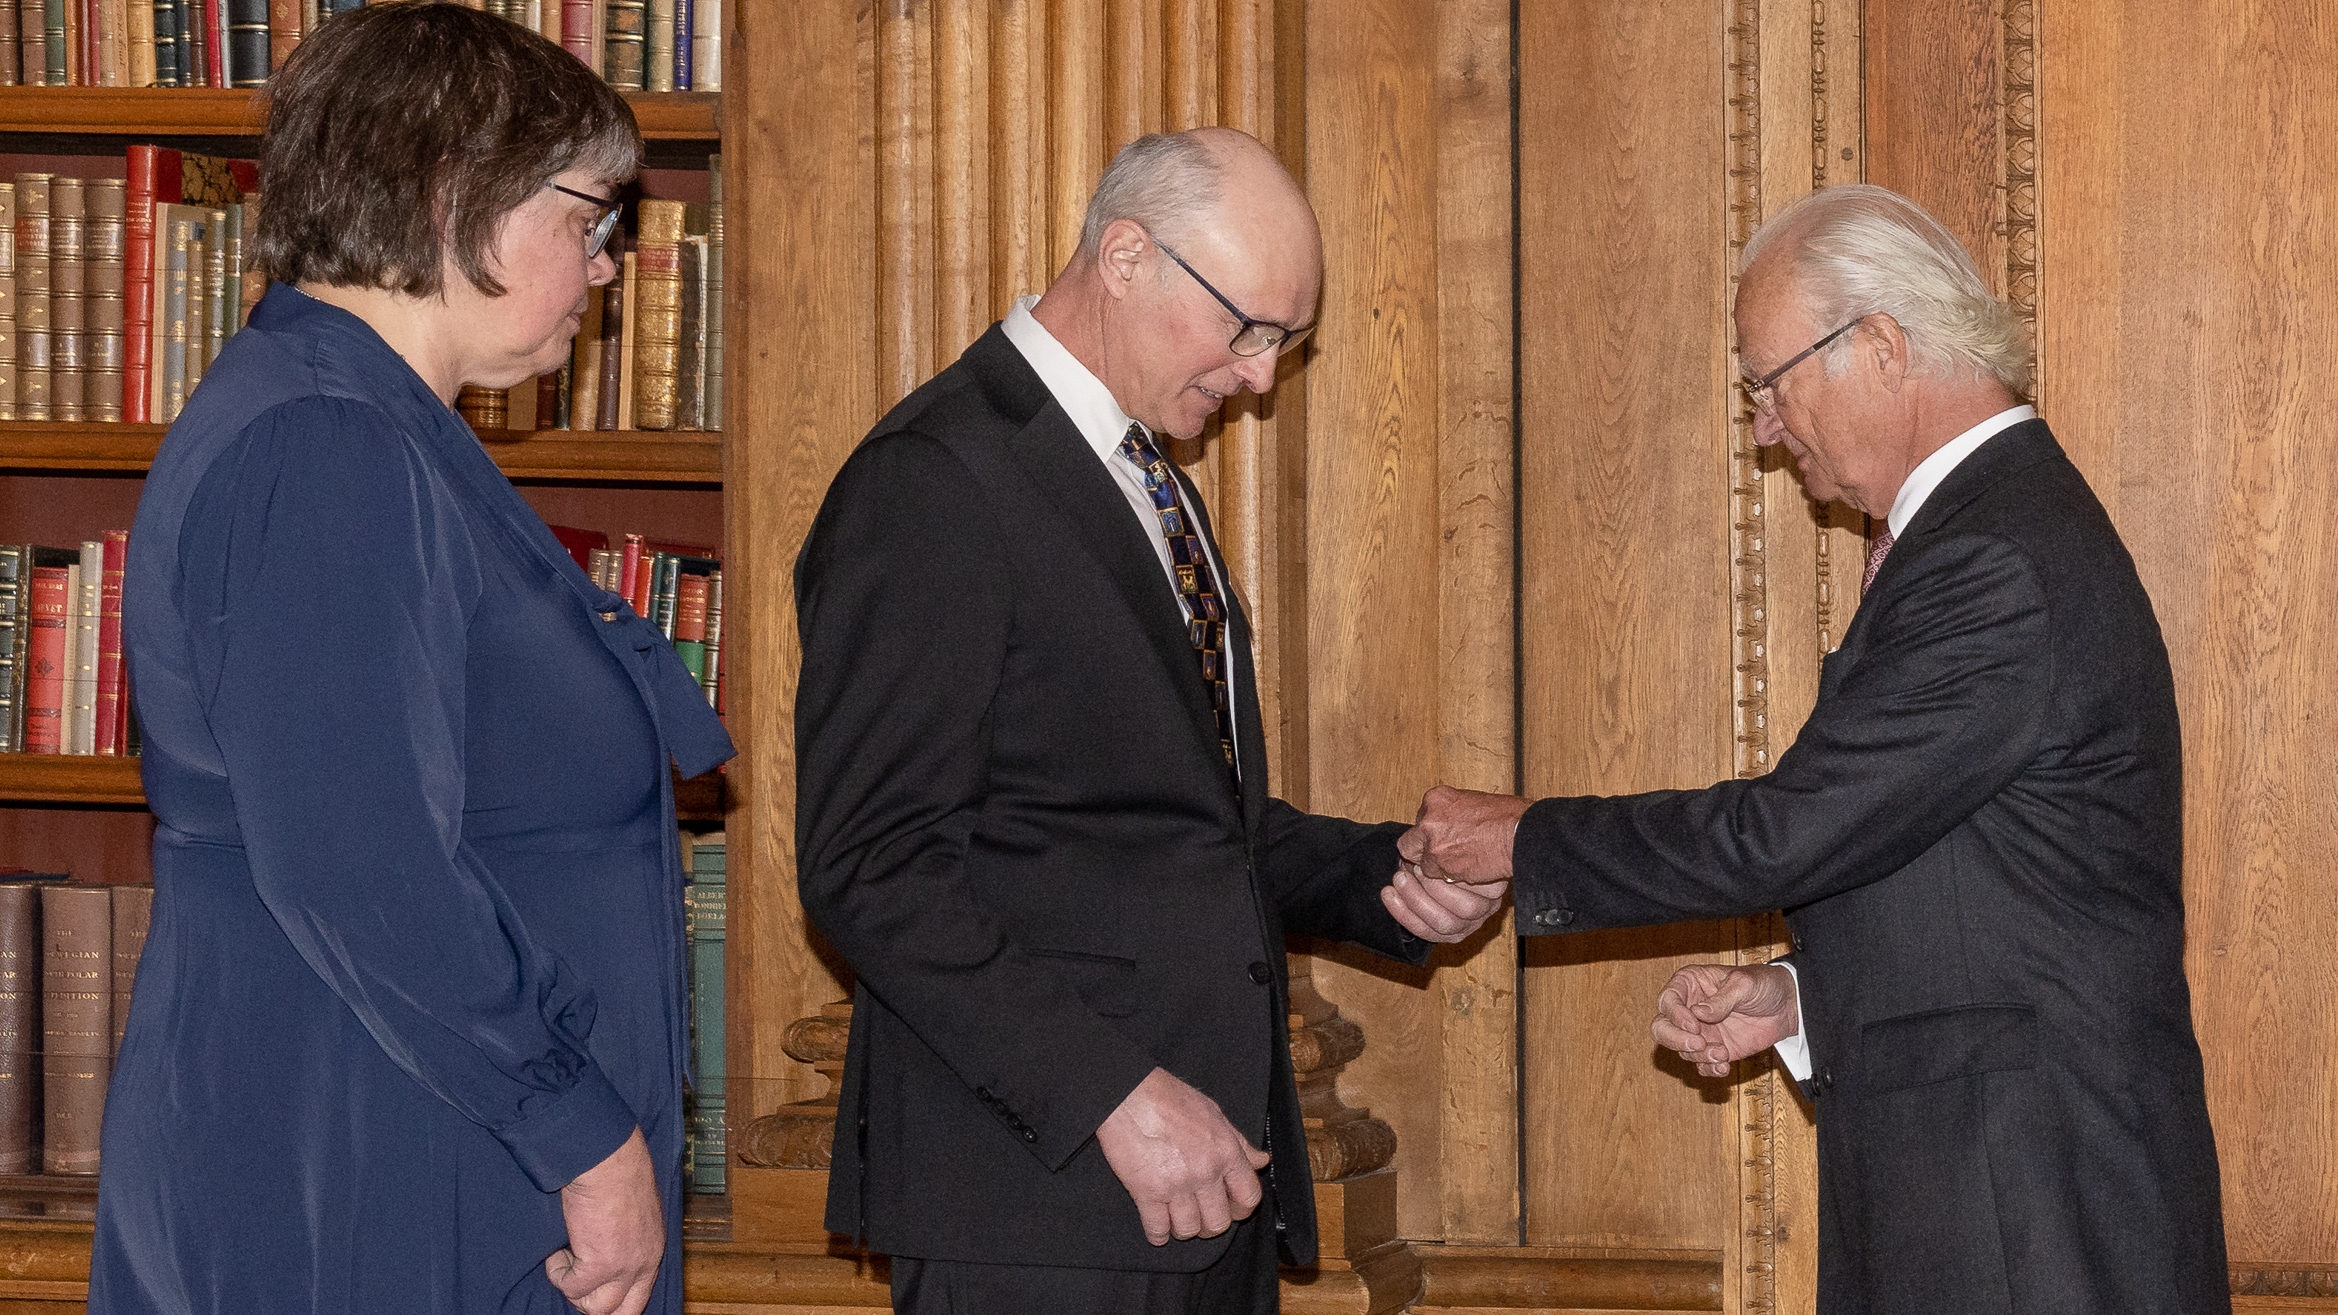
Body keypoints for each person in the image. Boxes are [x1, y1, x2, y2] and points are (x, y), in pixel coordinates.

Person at [1400, 185, 2229, 1314]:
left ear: (1879, 346)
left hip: (2032, 1219)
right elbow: (1974, 889)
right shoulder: (1989, 529)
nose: (1764, 428)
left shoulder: (1995, 558)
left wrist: (1526, 836)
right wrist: (1800, 998)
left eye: (1768, 383)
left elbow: (1788, 829)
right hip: (1999, 1199)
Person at [793, 127, 1504, 1315]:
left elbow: (1179, 825)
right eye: (1247, 327)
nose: (1261, 375)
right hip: (1042, 1201)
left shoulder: (1143, 475)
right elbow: (869, 868)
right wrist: (1115, 1091)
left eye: (1285, 339)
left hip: (1201, 1186)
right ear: (1124, 258)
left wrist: (1386, 876)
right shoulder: (934, 480)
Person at [92, 8, 732, 1315]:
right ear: (456, 197)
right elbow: (359, 857)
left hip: (413, 1126)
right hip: (383, 1152)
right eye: (589, 218)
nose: (605, 267)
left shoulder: (363, 422)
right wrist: (583, 1136)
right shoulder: (325, 448)